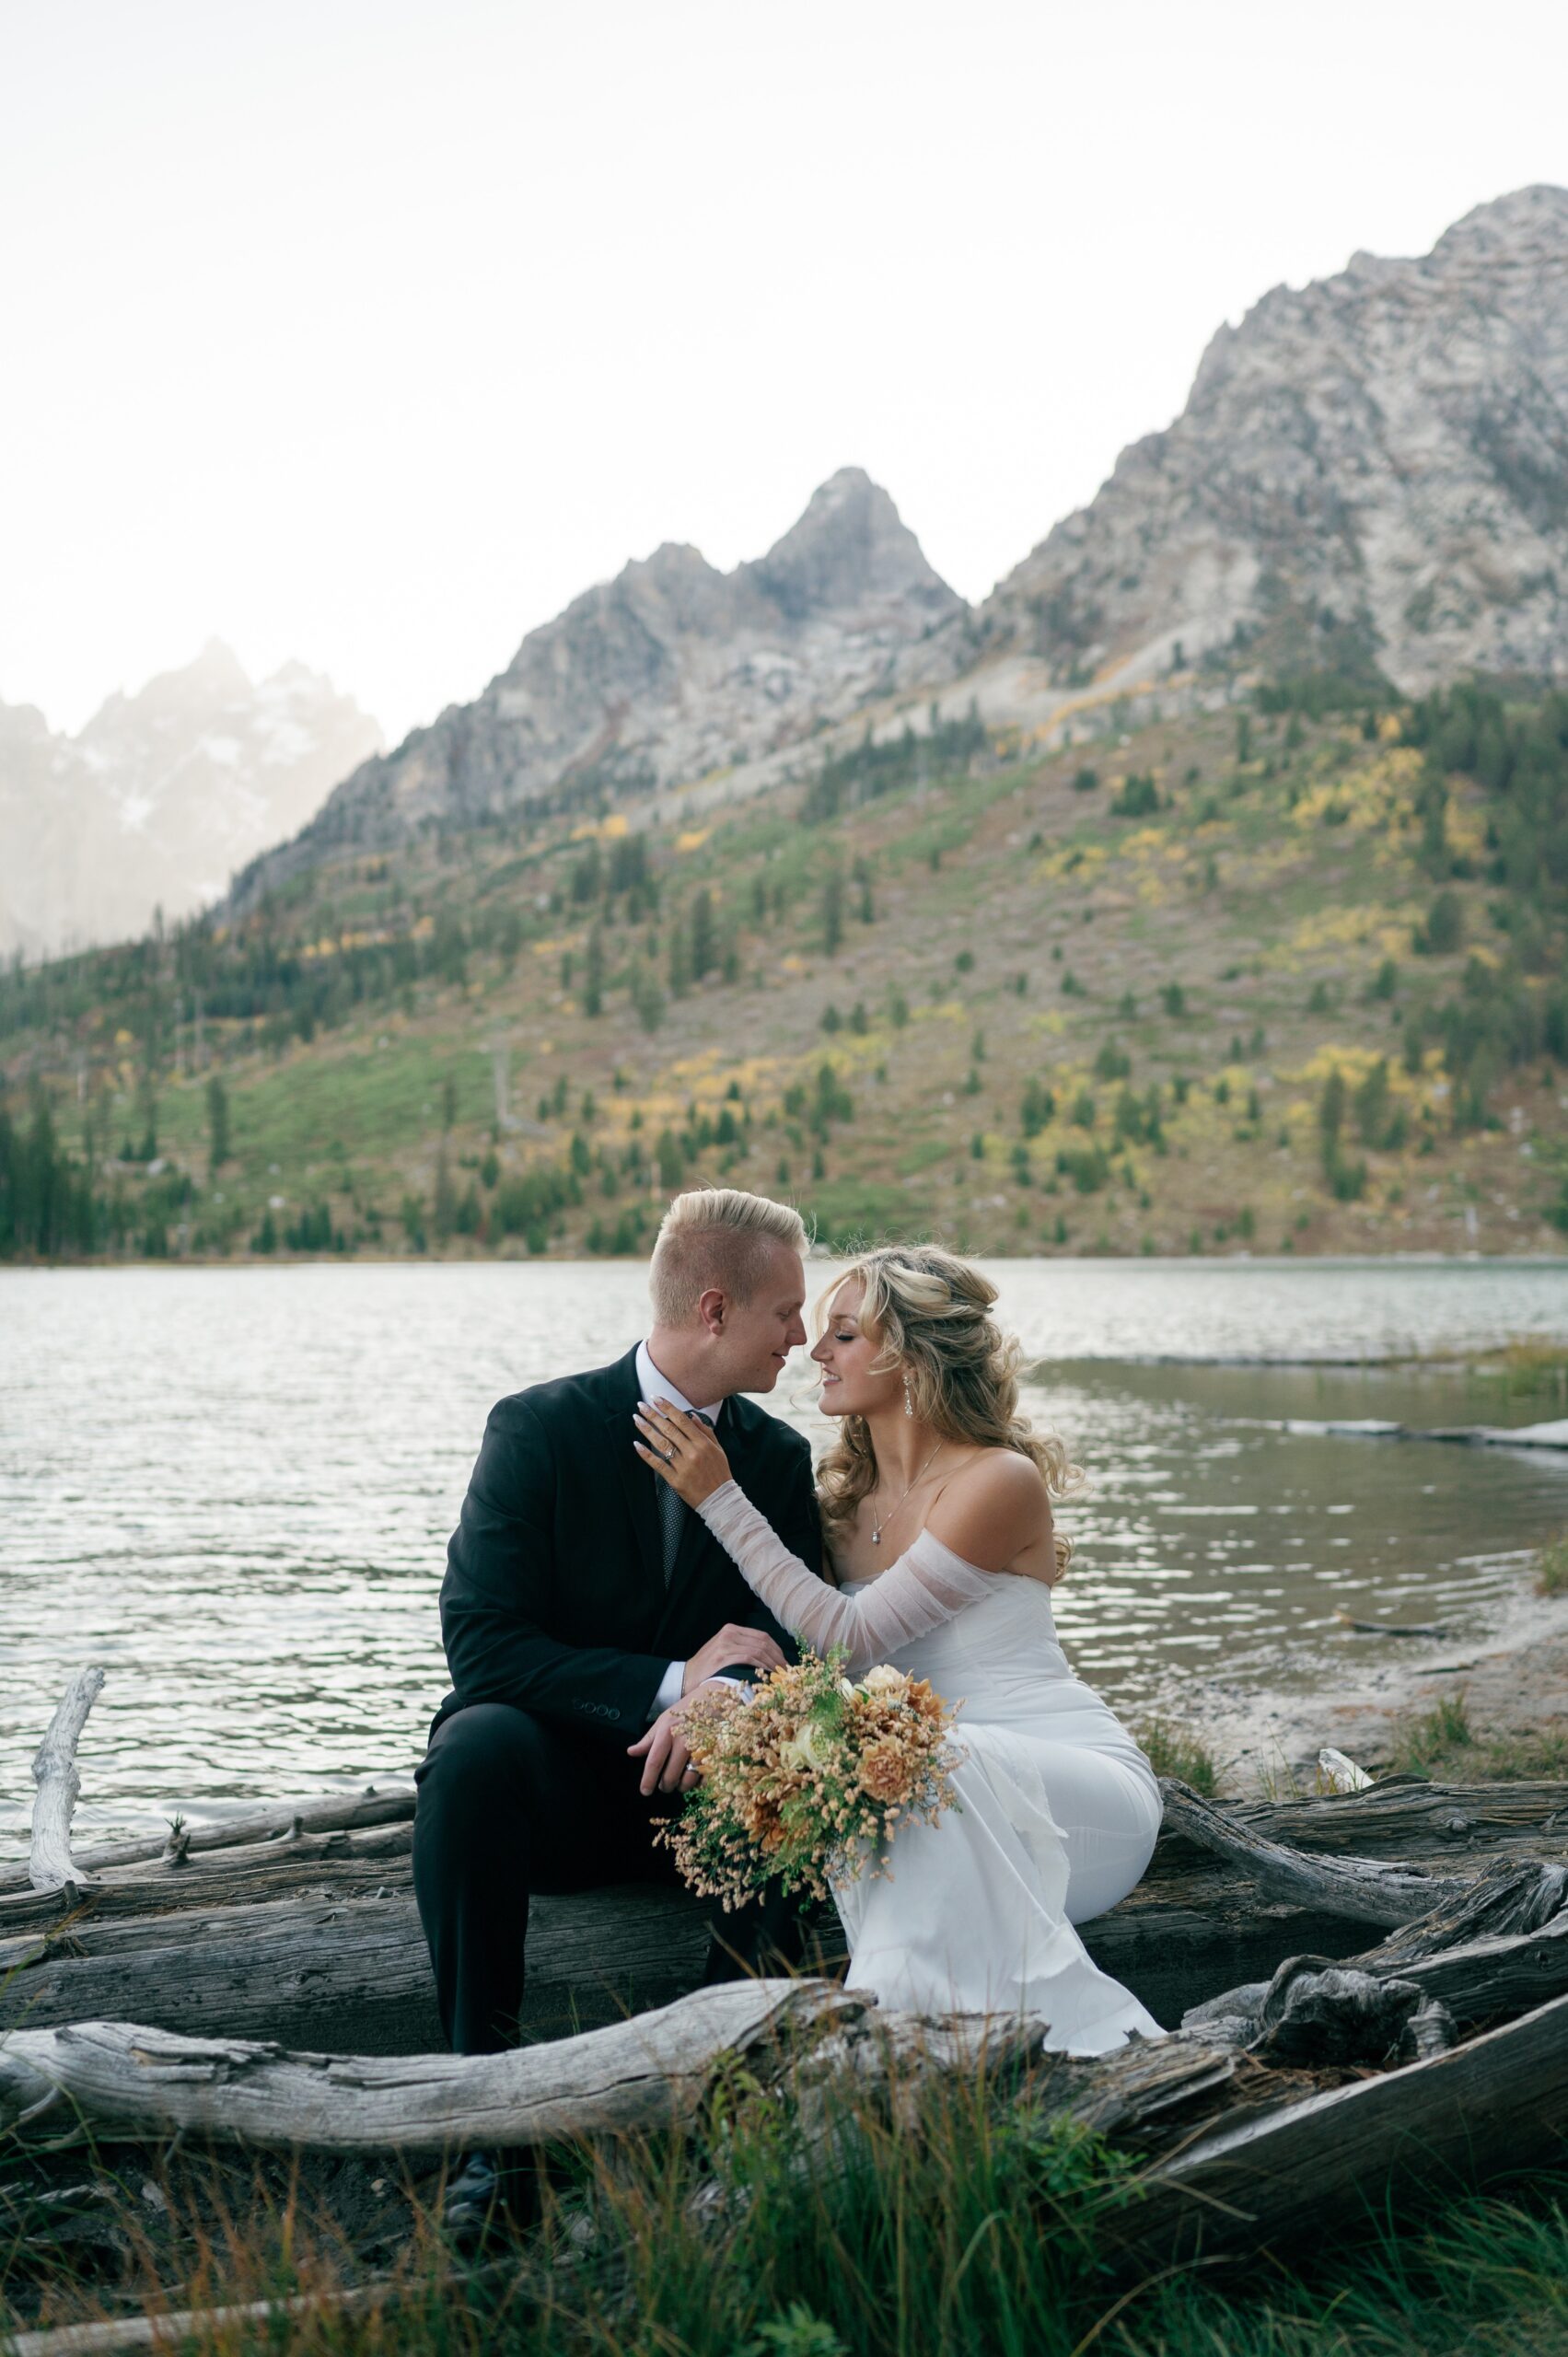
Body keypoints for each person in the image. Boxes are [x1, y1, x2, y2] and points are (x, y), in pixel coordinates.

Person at [633, 1241, 1165, 2057]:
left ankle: (898, 2048)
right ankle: (774, 2037)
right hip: (908, 1783)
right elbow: (810, 1652)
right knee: (865, 1752)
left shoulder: (996, 1482)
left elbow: (848, 1635)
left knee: (898, 1751)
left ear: (911, 1355)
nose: (813, 1352)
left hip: (1070, 1799)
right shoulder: (842, 1507)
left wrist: (719, 1498)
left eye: (842, 1334)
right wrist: (727, 1677)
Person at [412, 1186, 822, 2241]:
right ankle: (490, 2134)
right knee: (472, 1744)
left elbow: (790, 1648)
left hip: (709, 1814)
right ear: (717, 1309)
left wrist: (729, 1695)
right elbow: (483, 1643)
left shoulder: (776, 1463)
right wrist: (674, 1680)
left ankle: (724, 2112)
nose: (803, 1335)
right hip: (559, 1794)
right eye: (786, 1311)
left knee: (792, 1757)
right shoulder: (538, 1428)